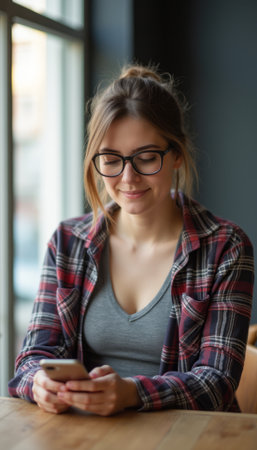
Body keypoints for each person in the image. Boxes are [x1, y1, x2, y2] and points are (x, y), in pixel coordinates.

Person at [8, 64, 254, 416]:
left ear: (178, 155)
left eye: (147, 158)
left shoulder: (225, 247)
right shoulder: (68, 242)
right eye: (111, 159)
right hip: (86, 434)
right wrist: (39, 383)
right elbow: (32, 358)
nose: (128, 178)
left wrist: (131, 393)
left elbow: (216, 381)